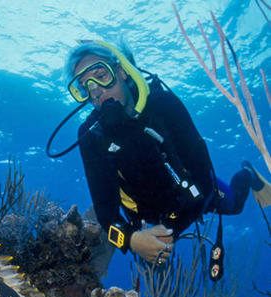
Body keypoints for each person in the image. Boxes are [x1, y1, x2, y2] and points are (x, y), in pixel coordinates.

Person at [56, 40, 271, 266]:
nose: (95, 91)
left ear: (122, 71)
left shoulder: (162, 105)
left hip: (197, 193)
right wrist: (130, 240)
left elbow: (203, 178)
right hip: (148, 214)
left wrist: (171, 231)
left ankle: (247, 174)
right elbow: (105, 212)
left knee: (234, 206)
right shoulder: (92, 136)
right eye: (84, 87)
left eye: (101, 76)